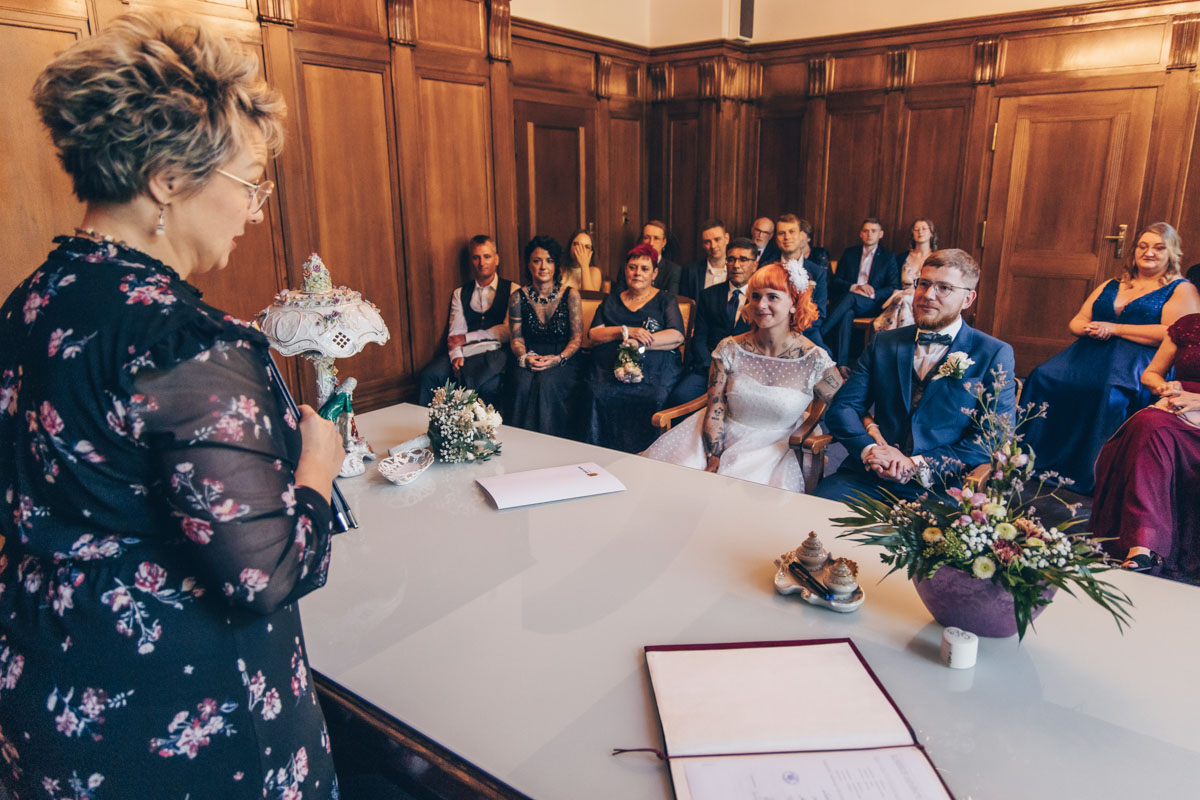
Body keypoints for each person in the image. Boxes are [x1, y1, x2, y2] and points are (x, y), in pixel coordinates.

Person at [0, 12, 344, 797]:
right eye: (250, 183)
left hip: (45, 684)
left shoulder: (29, 305)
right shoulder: (188, 343)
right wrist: (317, 470)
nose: (255, 212)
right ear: (167, 180)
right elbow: (265, 573)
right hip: (179, 716)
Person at [814, 249, 1016, 503]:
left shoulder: (993, 353)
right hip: (868, 476)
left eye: (944, 288)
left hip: (941, 487)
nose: (928, 295)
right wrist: (870, 450)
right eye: (924, 284)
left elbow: (993, 437)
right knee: (814, 521)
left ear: (968, 299)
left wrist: (916, 464)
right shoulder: (885, 342)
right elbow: (843, 408)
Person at [1022, 222, 1200, 494]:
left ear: (1171, 253)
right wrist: (1091, 328)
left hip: (1137, 360)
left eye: (1158, 247)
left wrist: (1115, 328)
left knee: (1108, 391)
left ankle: (1091, 472)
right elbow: (1077, 321)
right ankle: (1032, 462)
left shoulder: (1180, 288)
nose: (1149, 252)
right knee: (1042, 376)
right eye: (1143, 246)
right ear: (1133, 251)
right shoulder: (1113, 283)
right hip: (1089, 354)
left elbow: (1171, 332)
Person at [643, 262, 843, 492]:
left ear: (794, 303)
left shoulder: (813, 359)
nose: (761, 305)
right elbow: (715, 407)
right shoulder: (729, 348)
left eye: (772, 297)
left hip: (777, 448)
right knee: (675, 487)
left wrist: (868, 434)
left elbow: (845, 408)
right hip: (718, 436)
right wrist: (714, 456)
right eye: (755, 296)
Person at [1092, 312, 1200, 580]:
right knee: (1148, 424)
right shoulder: (1187, 325)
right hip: (1175, 408)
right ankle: (1143, 546)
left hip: (1195, 406)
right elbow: (1151, 374)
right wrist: (1165, 388)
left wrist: (1196, 401)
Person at [583, 245, 685, 452]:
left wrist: (641, 342)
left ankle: (648, 456)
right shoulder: (611, 299)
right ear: (626, 270)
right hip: (610, 366)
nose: (637, 272)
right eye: (632, 267)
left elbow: (677, 336)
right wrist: (627, 331)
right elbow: (594, 334)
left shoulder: (665, 300)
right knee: (597, 393)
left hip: (653, 367)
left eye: (644, 268)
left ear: (655, 273)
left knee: (654, 396)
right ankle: (600, 454)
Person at [417, 234, 512, 407]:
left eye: (487, 256)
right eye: (476, 257)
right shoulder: (460, 293)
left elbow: (507, 331)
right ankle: (429, 429)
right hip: (466, 352)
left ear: (496, 259)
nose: (481, 263)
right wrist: (456, 357)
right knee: (429, 375)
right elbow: (455, 333)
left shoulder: (513, 290)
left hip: (495, 353)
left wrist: (469, 338)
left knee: (486, 384)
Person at [505, 236, 584, 438]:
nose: (543, 266)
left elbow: (576, 339)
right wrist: (524, 358)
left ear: (556, 265)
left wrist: (559, 358)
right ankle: (520, 444)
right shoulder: (517, 296)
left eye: (549, 260)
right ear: (528, 265)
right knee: (521, 384)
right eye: (536, 260)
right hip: (528, 354)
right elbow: (516, 338)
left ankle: (550, 446)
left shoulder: (571, 295)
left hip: (564, 358)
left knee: (546, 384)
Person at [666, 237, 757, 406]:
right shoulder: (708, 295)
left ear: (755, 265)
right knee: (680, 397)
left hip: (747, 373)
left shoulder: (761, 299)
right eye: (731, 259)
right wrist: (712, 369)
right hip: (708, 368)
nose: (736, 265)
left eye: (743, 259)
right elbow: (699, 338)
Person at [822, 218, 900, 366]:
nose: (869, 234)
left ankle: (820, 333)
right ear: (860, 234)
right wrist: (854, 286)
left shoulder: (888, 257)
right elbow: (836, 281)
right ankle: (842, 365)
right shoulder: (850, 253)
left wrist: (872, 292)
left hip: (871, 303)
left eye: (873, 231)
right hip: (848, 301)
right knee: (847, 313)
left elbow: (893, 286)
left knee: (850, 299)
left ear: (881, 234)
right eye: (866, 231)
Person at [775, 214, 830, 353]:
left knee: (825, 356)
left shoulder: (817, 272)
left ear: (801, 236)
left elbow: (820, 313)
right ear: (776, 239)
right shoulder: (766, 268)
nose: (786, 237)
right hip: (772, 332)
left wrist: (795, 332)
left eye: (791, 232)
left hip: (807, 331)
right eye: (782, 233)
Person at [874, 218, 937, 333]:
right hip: (899, 296)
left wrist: (914, 292)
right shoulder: (901, 258)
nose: (920, 232)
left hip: (924, 298)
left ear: (931, 233)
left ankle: (893, 335)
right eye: (916, 229)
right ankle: (900, 336)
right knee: (903, 299)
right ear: (912, 234)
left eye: (924, 229)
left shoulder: (936, 259)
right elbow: (892, 282)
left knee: (906, 300)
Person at [614, 220, 681, 295]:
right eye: (646, 238)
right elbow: (618, 297)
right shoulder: (626, 267)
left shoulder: (673, 270)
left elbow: (671, 299)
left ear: (664, 242)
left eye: (656, 238)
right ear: (641, 240)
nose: (651, 243)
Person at [678, 219, 730, 301]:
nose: (713, 246)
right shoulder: (691, 271)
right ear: (703, 245)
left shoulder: (736, 270)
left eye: (717, 239)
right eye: (707, 242)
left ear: (726, 239)